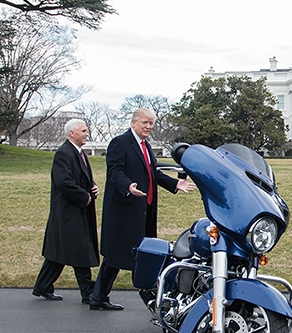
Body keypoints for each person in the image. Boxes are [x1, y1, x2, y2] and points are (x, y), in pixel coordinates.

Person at [89, 108, 195, 310]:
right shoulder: (120, 143)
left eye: (151, 124)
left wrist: (175, 184)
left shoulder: (145, 146)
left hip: (143, 210)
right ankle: (146, 298)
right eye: (145, 123)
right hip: (125, 209)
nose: (148, 127)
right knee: (118, 255)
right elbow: (115, 171)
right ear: (134, 123)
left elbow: (152, 174)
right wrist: (128, 186)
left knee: (137, 253)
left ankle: (99, 297)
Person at [32, 119, 99, 302]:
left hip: (77, 210)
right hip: (68, 211)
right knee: (80, 248)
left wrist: (92, 187)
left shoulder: (78, 152)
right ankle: (88, 291)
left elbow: (80, 178)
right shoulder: (63, 153)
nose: (87, 134)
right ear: (72, 133)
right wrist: (84, 197)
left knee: (60, 251)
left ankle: (43, 286)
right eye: (84, 131)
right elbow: (64, 182)